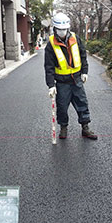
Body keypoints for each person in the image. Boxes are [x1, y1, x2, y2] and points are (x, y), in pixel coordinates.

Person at [44, 12, 97, 140]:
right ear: (55, 29)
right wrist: (51, 85)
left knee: (82, 103)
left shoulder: (75, 38)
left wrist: (85, 71)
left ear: (68, 28)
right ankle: (63, 128)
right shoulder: (51, 44)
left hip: (76, 79)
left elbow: (83, 55)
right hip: (62, 82)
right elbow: (49, 66)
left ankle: (85, 127)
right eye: (59, 30)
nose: (62, 32)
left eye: (64, 30)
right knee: (62, 106)